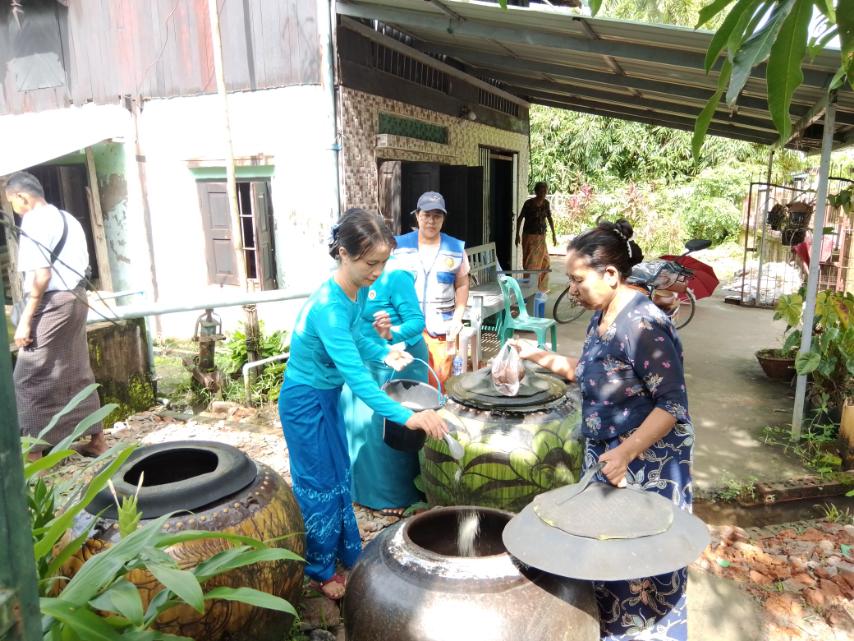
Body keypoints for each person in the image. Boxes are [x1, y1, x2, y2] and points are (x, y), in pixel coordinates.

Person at [509, 219, 693, 641]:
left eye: (578, 280)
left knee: (642, 557)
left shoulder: (643, 325)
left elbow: (672, 405)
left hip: (646, 462)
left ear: (610, 274)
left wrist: (626, 453)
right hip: (610, 456)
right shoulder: (603, 315)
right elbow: (589, 372)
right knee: (603, 551)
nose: (572, 289)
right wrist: (534, 354)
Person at [278, 208, 446, 601]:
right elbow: (356, 376)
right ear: (343, 253)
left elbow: (359, 337)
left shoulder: (355, 293)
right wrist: (406, 416)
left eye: (383, 262)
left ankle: (345, 550)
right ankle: (319, 570)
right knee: (317, 482)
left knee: (339, 472)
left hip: (326, 395)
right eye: (371, 263)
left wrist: (385, 351)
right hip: (304, 401)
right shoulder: (329, 307)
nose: (378, 271)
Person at [4, 171, 106, 460]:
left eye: (12, 202)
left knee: (28, 377)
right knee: (75, 368)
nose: (14, 208)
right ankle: (97, 440)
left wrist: (25, 321)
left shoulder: (33, 222)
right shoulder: (67, 218)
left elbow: (42, 276)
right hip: (77, 298)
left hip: (52, 303)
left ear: (22, 197)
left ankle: (35, 456)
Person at [341, 266, 428, 517]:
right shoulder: (348, 278)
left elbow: (417, 322)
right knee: (361, 428)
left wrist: (391, 334)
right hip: (364, 360)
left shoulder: (396, 276)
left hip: (399, 361)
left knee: (390, 429)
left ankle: (397, 494)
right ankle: (361, 490)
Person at [390, 191, 470, 386]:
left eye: (437, 216)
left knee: (439, 385)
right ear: (417, 216)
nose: (431, 221)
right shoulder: (398, 246)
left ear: (443, 219)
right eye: (426, 215)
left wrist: (458, 318)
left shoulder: (456, 249)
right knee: (405, 386)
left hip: (441, 330)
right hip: (405, 329)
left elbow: (462, 284)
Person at [515, 181, 557, 293]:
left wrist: (554, 234)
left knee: (545, 262)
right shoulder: (529, 203)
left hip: (541, 237)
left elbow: (549, 218)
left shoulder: (546, 203)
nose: (543, 193)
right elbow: (520, 218)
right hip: (530, 237)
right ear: (536, 191)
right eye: (541, 191)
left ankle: (541, 288)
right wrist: (517, 235)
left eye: (545, 191)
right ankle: (530, 288)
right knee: (531, 263)